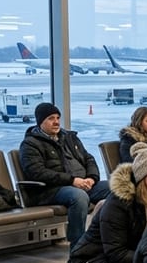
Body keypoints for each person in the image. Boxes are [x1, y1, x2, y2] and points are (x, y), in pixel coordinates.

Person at [19, 102, 111, 247]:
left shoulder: (69, 137)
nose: (56, 122)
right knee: (79, 197)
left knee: (118, 188)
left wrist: (91, 178)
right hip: (51, 189)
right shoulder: (31, 144)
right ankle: (78, 246)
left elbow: (88, 159)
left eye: (57, 117)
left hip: (84, 183)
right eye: (50, 118)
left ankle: (106, 236)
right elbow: (36, 172)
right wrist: (72, 180)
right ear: (40, 121)